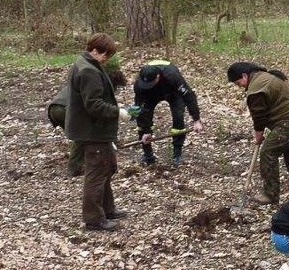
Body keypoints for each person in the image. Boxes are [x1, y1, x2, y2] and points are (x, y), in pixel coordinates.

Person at [64, 33, 134, 232]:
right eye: (106, 55)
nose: (107, 59)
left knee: (107, 167)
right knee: (96, 173)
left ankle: (107, 209)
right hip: (92, 131)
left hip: (96, 130)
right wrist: (117, 112)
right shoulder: (88, 71)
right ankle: (94, 218)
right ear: (94, 50)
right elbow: (93, 105)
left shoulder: (85, 64)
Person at [228, 62, 289, 205]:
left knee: (268, 152)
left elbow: (259, 116)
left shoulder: (257, 88)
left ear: (244, 75)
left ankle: (270, 195)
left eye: (238, 83)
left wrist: (258, 135)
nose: (240, 86)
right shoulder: (265, 76)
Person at [133, 59, 203, 167]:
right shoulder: (140, 85)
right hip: (150, 96)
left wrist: (196, 119)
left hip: (172, 93)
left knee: (178, 116)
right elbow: (139, 109)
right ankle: (148, 155)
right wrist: (145, 130)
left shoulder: (172, 76)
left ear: (157, 77)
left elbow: (189, 95)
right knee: (143, 123)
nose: (147, 85)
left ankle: (177, 154)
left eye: (150, 83)